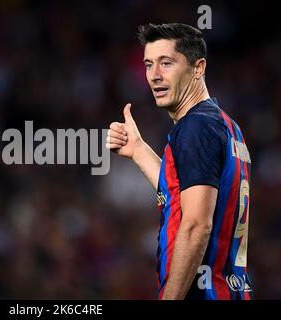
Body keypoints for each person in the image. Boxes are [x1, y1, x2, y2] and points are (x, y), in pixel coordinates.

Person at [106, 23, 253, 300]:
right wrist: (139, 151)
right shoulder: (226, 125)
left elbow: (197, 224)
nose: (154, 76)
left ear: (198, 68)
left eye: (166, 63)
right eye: (149, 65)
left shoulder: (196, 127)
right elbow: (181, 195)